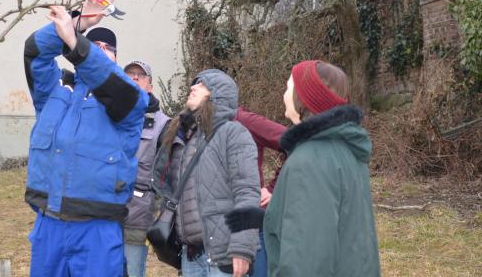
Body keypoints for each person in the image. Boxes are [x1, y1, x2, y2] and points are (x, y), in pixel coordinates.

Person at [23, 1, 148, 277]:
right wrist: (76, 23)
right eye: (94, 46)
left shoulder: (129, 98)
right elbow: (34, 53)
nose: (100, 52)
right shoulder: (56, 89)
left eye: (108, 50)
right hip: (48, 224)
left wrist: (77, 44)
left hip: (97, 229)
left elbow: (108, 79)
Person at [226, 60, 381, 277]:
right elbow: (332, 222)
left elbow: (307, 254)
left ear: (305, 98)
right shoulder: (346, 150)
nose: (284, 94)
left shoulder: (308, 160)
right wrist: (264, 216)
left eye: (289, 87)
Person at [158, 69, 261, 277]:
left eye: (202, 85)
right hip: (191, 255)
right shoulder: (184, 137)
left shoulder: (233, 133)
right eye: (193, 84)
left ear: (218, 94)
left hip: (223, 254)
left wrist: (242, 247)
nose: (193, 87)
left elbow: (247, 192)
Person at [122, 60, 170, 277]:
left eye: (140, 75)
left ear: (150, 86)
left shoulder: (164, 125)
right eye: (129, 73)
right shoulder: (109, 115)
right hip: (102, 212)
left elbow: (168, 176)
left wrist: (156, 210)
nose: (134, 78)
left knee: (132, 270)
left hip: (137, 214)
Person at [234, 107, 287, 277]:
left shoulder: (243, 119)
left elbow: (296, 142)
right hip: (216, 230)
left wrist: (274, 188)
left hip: (251, 225)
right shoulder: (199, 127)